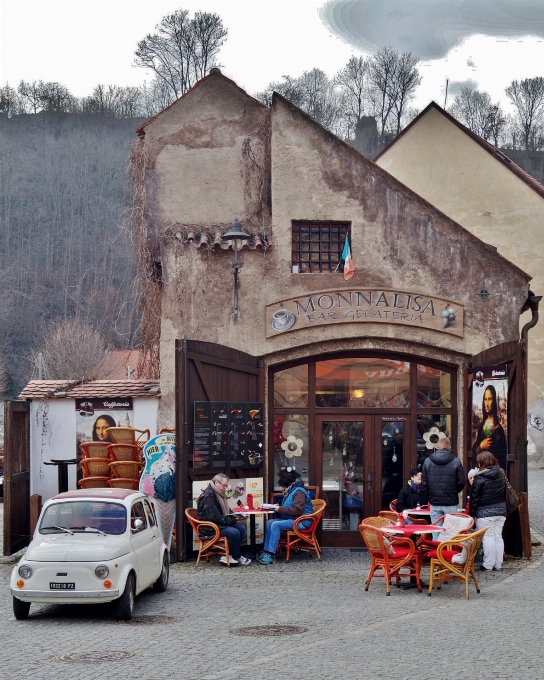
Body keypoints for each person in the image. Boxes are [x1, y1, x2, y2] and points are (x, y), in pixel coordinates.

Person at [257, 467, 313, 565]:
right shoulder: (292, 490)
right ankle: (266, 551)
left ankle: (271, 554)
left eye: (283, 486)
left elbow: (297, 511)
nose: (282, 489)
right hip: (293, 519)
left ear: (286, 484)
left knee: (275, 525)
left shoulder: (299, 492)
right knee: (269, 522)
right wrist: (278, 506)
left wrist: (279, 509)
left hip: (301, 522)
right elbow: (290, 505)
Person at [196, 473, 251, 566]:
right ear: (216, 482)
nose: (225, 488)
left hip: (218, 523)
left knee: (242, 529)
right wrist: (233, 520)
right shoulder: (207, 496)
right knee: (234, 532)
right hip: (209, 527)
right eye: (224, 485)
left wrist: (235, 516)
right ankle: (235, 556)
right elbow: (215, 517)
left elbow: (225, 511)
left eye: (226, 485)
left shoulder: (217, 493)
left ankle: (229, 555)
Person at [420, 436, 466, 539]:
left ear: (437, 446)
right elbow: (461, 482)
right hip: (450, 501)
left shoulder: (428, 461)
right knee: (451, 531)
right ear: (449, 447)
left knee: (436, 530)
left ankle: (436, 553)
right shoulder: (456, 461)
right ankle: (448, 553)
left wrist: (429, 497)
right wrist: (454, 492)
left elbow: (424, 483)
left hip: (435, 502)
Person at [469, 452, 507, 571]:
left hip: (485, 511)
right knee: (498, 537)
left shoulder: (480, 477)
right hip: (501, 510)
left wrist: (473, 513)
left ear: (482, 462)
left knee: (488, 537)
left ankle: (488, 565)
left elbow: (474, 497)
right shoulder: (501, 473)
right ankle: (498, 564)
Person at [472, 385, 507, 470]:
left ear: (494, 401)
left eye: (490, 399)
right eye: (485, 399)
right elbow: (474, 449)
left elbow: (501, 455)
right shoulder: (482, 425)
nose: (487, 404)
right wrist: (481, 445)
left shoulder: (498, 429)